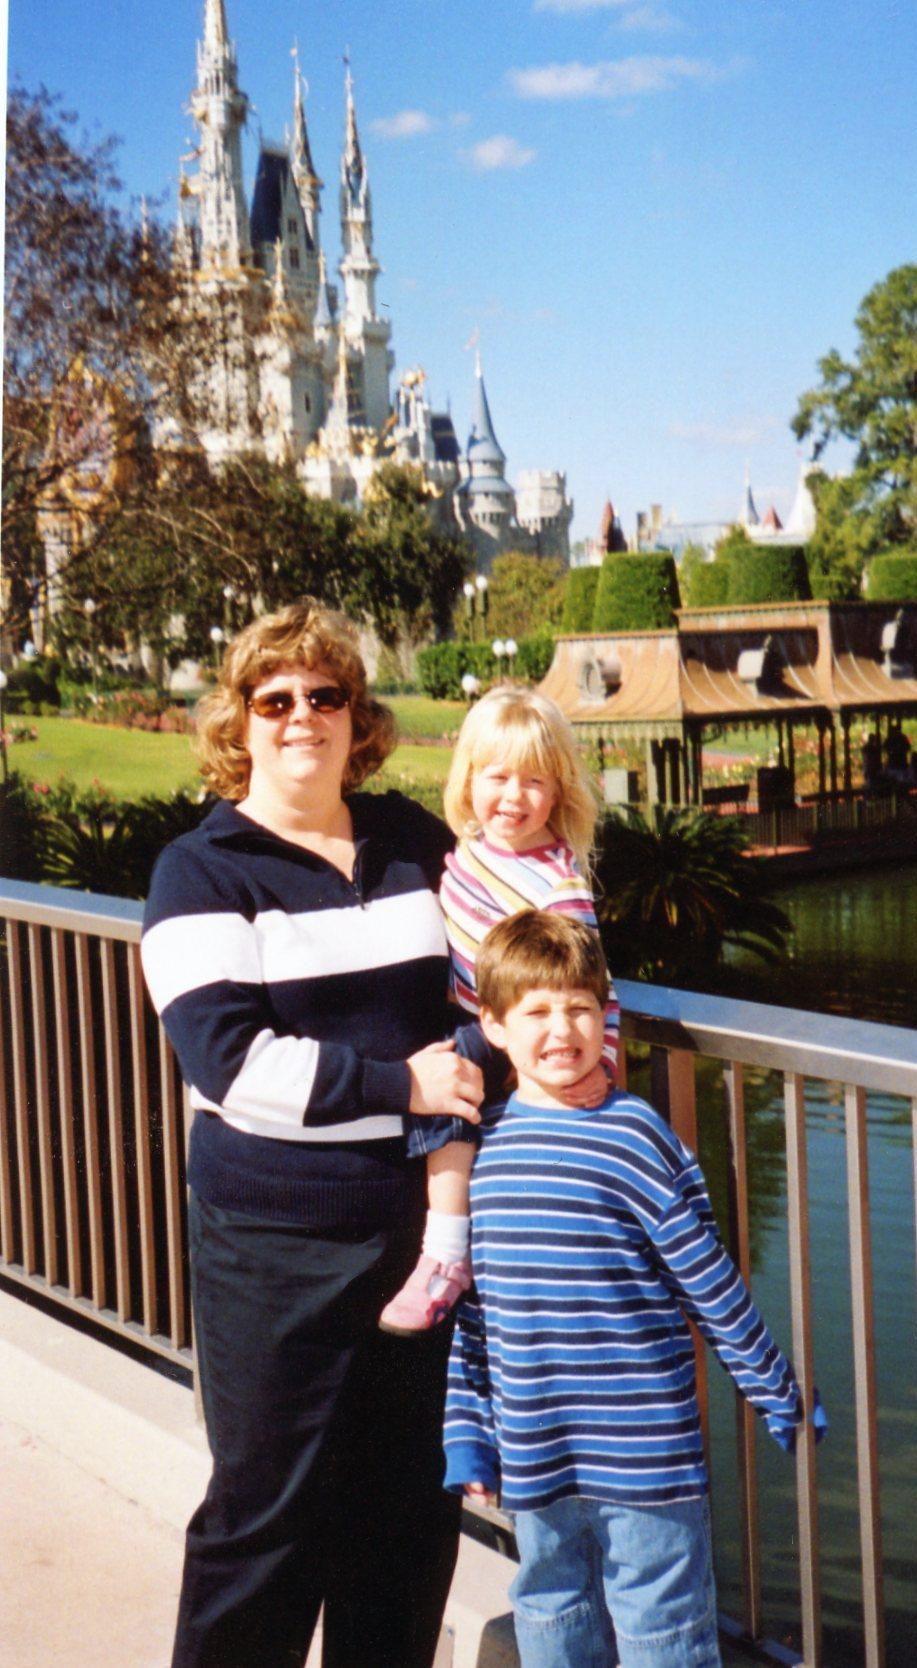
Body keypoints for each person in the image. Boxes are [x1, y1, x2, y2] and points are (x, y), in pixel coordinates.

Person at [141, 598, 499, 1668]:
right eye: (276, 698)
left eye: (326, 695)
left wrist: (470, 1063)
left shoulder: (414, 844)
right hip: (276, 1249)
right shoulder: (200, 872)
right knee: (265, 1520)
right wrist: (406, 1084)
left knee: (404, 1523)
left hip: (419, 1245)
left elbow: (494, 993)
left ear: (358, 717)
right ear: (240, 723)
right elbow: (231, 1065)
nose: (303, 715)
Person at [443, 911, 827, 1668]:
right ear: (492, 1025)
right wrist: (467, 1433)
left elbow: (708, 1279)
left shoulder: (635, 1135)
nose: (563, 1030)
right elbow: (471, 1311)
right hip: (534, 1451)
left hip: (647, 1452)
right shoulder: (481, 1149)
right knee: (550, 1609)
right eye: (538, 1012)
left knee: (666, 1631)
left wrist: (775, 1387)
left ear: (605, 1015)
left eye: (581, 1008)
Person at [379, 685, 618, 1335]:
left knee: (450, 1079)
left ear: (558, 790)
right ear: (469, 780)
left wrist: (601, 1061)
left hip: (522, 1033)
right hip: (466, 1015)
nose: (514, 797)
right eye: (498, 777)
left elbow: (591, 981)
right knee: (435, 1067)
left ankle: (445, 1255)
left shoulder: (557, 879)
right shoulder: (464, 854)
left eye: (534, 781)